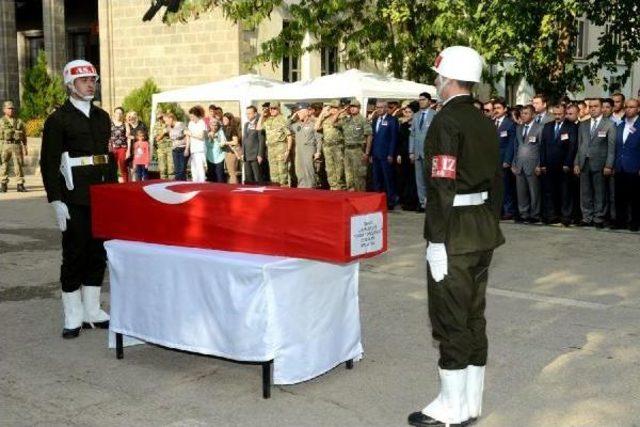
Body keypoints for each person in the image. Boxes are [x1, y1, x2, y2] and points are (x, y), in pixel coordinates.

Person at [408, 46, 504, 427]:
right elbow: (497, 180)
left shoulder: (446, 121)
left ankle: (452, 407)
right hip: (481, 229)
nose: (436, 82)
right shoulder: (483, 120)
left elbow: (442, 185)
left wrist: (435, 239)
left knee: (450, 318)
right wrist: (490, 220)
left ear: (448, 79)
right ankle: (470, 402)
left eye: (438, 76)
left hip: (455, 233)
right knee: (474, 316)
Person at [40, 59, 116, 339]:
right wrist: (55, 199)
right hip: (74, 197)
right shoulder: (58, 120)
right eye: (84, 81)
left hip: (101, 194)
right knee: (74, 254)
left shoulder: (102, 117)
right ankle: (73, 314)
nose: (90, 84)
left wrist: (114, 192)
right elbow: (48, 162)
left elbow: (109, 159)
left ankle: (92, 310)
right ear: (71, 85)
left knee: (98, 253)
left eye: (93, 80)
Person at [574, 98, 616, 228]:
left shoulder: (609, 124)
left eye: (596, 106)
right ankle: (587, 217)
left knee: (600, 192)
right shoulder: (583, 124)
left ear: (601, 107)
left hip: (600, 164)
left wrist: (609, 165)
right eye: (590, 106)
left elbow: (611, 148)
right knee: (585, 192)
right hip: (583, 162)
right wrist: (576, 163)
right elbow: (579, 145)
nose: (593, 108)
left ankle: (599, 218)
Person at [539, 104, 579, 226]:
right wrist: (543, 163)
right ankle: (551, 215)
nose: (557, 116)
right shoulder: (547, 126)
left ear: (564, 113)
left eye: (559, 114)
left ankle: (565, 216)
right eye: (555, 114)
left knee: (565, 191)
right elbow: (543, 146)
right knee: (549, 191)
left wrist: (568, 163)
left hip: (563, 165)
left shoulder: (571, 126)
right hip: (549, 164)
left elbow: (572, 147)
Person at [612, 98, 640, 231]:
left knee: (635, 197)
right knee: (619, 196)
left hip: (634, 166)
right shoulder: (620, 124)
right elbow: (617, 147)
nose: (629, 109)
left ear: (638, 109)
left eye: (632, 107)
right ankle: (620, 221)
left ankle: (635, 222)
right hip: (620, 165)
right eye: (627, 107)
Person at [512, 105, 542, 223]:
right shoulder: (519, 128)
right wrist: (514, 162)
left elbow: (542, 148)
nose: (523, 116)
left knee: (534, 191)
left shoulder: (539, 128)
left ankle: (535, 214)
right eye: (522, 113)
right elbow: (516, 146)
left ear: (533, 115)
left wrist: (539, 164)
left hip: (533, 164)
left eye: (526, 113)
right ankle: (523, 213)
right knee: (521, 191)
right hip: (519, 164)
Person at [410, 92, 436, 211]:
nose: (421, 101)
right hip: (417, 153)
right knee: (419, 179)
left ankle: (430, 202)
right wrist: (411, 151)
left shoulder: (435, 115)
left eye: (423, 99)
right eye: (419, 99)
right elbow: (412, 134)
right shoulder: (415, 116)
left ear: (429, 101)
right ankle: (422, 203)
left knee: (429, 179)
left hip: (430, 153)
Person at [370, 100, 399, 209]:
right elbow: (373, 138)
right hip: (376, 154)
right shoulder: (375, 119)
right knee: (377, 179)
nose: (379, 109)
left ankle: (390, 201)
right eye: (377, 107)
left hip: (386, 154)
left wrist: (391, 154)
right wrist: (371, 154)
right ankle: (378, 201)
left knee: (388, 179)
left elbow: (393, 138)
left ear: (386, 108)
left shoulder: (392, 120)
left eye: (381, 107)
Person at [288, 102, 322, 188]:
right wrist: (293, 117)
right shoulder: (296, 125)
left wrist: (318, 152)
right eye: (298, 112)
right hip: (299, 150)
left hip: (309, 150)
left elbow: (319, 139)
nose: (299, 114)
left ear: (307, 112)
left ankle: (311, 188)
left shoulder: (313, 124)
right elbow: (286, 126)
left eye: (300, 112)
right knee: (299, 170)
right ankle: (301, 188)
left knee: (309, 170)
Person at [493, 97, 517, 220]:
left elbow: (511, 144)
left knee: (506, 186)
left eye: (498, 108)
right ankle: (498, 209)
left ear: (505, 109)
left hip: (503, 160)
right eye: (494, 108)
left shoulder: (510, 124)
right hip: (492, 161)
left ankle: (509, 210)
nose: (496, 110)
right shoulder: (491, 122)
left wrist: (507, 160)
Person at [258, 102, 292, 186]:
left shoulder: (283, 119)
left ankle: (284, 193)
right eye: (270, 109)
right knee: (273, 174)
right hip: (271, 148)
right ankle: (275, 192)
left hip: (281, 147)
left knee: (282, 173)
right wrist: (262, 114)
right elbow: (258, 128)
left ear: (278, 108)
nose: (272, 110)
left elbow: (289, 136)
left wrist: (288, 150)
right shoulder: (268, 120)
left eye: (274, 108)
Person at [342, 99, 372, 192]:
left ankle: (360, 198)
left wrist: (367, 153)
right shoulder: (346, 120)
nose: (352, 109)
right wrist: (342, 110)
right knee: (348, 176)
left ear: (359, 108)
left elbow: (369, 136)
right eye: (351, 107)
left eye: (355, 107)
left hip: (358, 150)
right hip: (347, 151)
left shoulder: (363, 120)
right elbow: (334, 123)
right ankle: (350, 196)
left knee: (359, 176)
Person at [317, 100, 347, 190]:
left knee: (339, 169)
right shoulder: (326, 119)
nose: (333, 110)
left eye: (335, 108)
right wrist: (322, 114)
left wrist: (338, 113)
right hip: (327, 147)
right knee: (329, 169)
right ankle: (333, 188)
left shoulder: (343, 117)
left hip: (337, 147)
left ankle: (340, 188)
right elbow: (317, 127)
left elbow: (336, 123)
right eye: (332, 108)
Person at [0, 100, 27, 192]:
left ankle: (20, 184)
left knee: (18, 165)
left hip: (16, 145)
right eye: (9, 108)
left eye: (12, 108)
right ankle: (3, 184)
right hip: (5, 146)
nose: (11, 110)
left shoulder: (19, 121)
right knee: (4, 165)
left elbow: (24, 135)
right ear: (4, 110)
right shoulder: (1, 122)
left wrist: (25, 146)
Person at [397, 103, 418, 210]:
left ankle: (413, 201)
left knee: (413, 179)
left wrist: (414, 153)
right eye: (406, 112)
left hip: (414, 155)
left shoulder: (417, 126)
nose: (407, 114)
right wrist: (399, 154)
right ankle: (404, 201)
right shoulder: (403, 125)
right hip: (404, 155)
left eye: (410, 112)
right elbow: (400, 141)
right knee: (403, 178)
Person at [242, 105, 265, 184]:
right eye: (246, 114)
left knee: (257, 177)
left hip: (255, 156)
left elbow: (261, 140)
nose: (247, 115)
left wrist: (260, 154)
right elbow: (244, 139)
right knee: (248, 178)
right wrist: (243, 153)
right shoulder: (246, 124)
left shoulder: (259, 123)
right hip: (246, 156)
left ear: (255, 114)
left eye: (249, 113)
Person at [185, 105, 207, 183]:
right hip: (193, 150)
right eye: (190, 117)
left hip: (200, 149)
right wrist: (187, 148)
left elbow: (201, 136)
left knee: (200, 169)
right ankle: (194, 184)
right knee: (193, 169)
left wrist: (190, 134)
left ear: (196, 115)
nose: (191, 118)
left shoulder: (202, 123)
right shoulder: (190, 123)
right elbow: (187, 135)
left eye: (192, 116)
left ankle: (202, 184)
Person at [109, 106, 129, 183]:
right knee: (113, 167)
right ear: (114, 113)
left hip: (122, 148)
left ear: (123, 114)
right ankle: (115, 183)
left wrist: (128, 151)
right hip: (113, 148)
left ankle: (126, 184)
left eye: (120, 113)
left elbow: (128, 137)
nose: (119, 114)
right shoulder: (110, 123)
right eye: (117, 113)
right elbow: (107, 135)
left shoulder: (125, 124)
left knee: (123, 166)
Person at [165, 112, 187, 180]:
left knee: (182, 170)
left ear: (171, 119)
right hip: (174, 149)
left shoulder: (180, 124)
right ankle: (178, 185)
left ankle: (183, 185)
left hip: (182, 148)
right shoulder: (169, 127)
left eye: (166, 121)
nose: (166, 123)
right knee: (177, 170)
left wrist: (187, 148)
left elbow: (187, 135)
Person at [125, 111, 147, 181]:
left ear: (137, 116)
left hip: (140, 151)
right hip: (131, 150)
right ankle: (133, 185)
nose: (132, 118)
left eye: (134, 116)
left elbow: (145, 137)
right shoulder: (128, 126)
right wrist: (128, 151)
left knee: (139, 170)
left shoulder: (142, 125)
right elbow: (127, 137)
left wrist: (134, 137)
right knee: (131, 170)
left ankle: (140, 185)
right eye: (130, 116)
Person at [153, 111, 174, 180]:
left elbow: (175, 136)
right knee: (162, 170)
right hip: (161, 149)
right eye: (158, 118)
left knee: (171, 169)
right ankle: (163, 185)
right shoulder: (156, 125)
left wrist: (169, 129)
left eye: (161, 117)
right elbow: (157, 138)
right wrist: (164, 132)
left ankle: (172, 185)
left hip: (170, 147)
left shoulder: (170, 124)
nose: (160, 119)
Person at [221, 112, 241, 184]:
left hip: (231, 153)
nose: (224, 121)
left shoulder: (232, 129)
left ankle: (234, 188)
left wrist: (225, 143)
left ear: (230, 120)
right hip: (228, 152)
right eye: (223, 119)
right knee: (231, 172)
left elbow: (235, 142)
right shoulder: (225, 128)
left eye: (226, 119)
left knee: (232, 173)